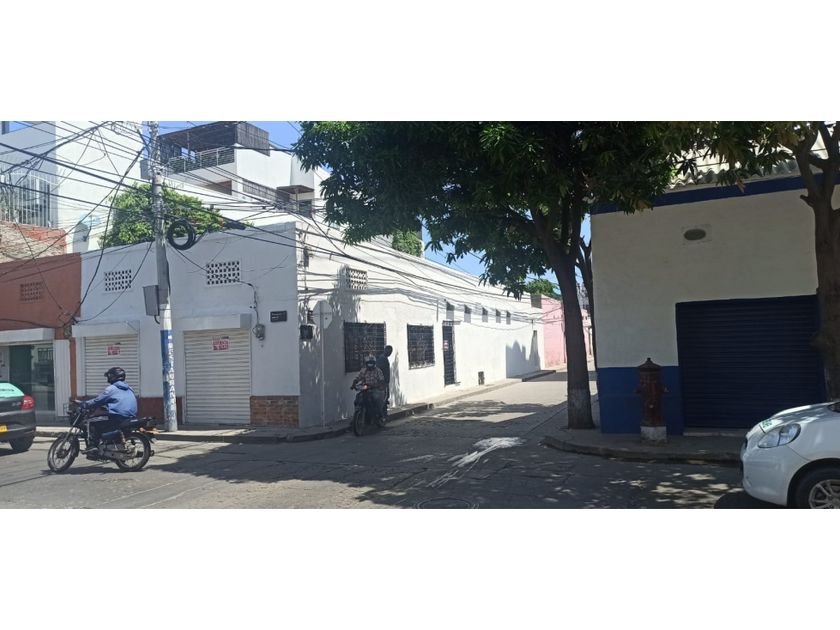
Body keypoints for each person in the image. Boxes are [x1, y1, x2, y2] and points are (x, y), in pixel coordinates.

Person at [80, 367, 138, 452]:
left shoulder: (111, 389)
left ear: (113, 377)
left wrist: (84, 404)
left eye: (109, 376)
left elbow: (97, 401)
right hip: (130, 417)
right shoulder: (130, 388)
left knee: (90, 421)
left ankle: (93, 446)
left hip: (117, 417)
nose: (108, 378)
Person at [351, 355, 385, 420]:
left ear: (374, 363)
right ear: (366, 363)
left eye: (371, 363)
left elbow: (381, 380)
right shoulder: (363, 371)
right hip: (365, 389)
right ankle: (355, 418)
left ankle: (380, 415)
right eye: (368, 363)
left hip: (375, 389)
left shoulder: (378, 371)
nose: (370, 365)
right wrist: (354, 384)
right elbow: (358, 378)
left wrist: (378, 385)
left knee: (376, 398)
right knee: (357, 398)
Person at [376, 345, 393, 417]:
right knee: (384, 397)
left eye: (390, 352)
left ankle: (383, 414)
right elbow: (380, 370)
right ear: (385, 350)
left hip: (385, 382)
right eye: (389, 351)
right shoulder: (382, 359)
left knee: (385, 398)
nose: (389, 353)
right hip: (383, 382)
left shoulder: (384, 358)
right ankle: (382, 414)